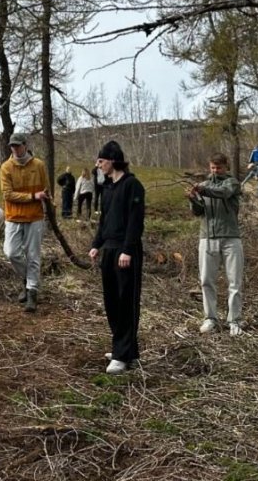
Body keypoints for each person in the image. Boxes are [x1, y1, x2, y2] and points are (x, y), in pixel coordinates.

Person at [89, 141, 144, 374]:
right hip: (109, 250)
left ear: (112, 160)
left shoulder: (132, 186)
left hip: (125, 251)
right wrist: (96, 245)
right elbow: (104, 221)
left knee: (125, 302)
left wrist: (128, 250)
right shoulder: (108, 188)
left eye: (101, 161)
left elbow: (135, 220)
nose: (98, 165)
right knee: (111, 300)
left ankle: (123, 355)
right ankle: (122, 348)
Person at [187, 152, 243, 336]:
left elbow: (224, 193)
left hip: (231, 237)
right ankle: (210, 318)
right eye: (212, 167)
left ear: (226, 167)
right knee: (206, 280)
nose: (215, 171)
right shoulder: (204, 185)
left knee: (234, 281)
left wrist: (203, 190)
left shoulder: (232, 183)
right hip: (207, 237)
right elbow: (198, 212)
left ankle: (234, 320)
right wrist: (193, 199)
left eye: (218, 167)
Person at [0, 132, 50, 313]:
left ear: (25, 145)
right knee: (11, 252)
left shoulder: (39, 165)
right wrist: (32, 196)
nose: (15, 149)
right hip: (13, 217)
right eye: (12, 146)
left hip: (35, 217)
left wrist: (47, 201)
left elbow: (46, 189)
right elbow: (7, 194)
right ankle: (28, 280)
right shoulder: (6, 167)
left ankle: (32, 294)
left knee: (33, 255)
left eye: (18, 145)